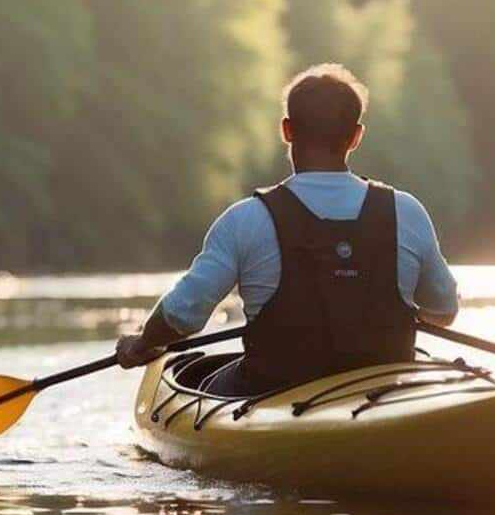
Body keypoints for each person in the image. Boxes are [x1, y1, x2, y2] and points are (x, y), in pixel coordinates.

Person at [114, 63, 460, 396]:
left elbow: (181, 315)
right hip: (384, 391)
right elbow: (444, 311)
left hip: (274, 391)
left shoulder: (244, 220)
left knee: (198, 379)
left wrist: (144, 342)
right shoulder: (408, 213)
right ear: (356, 137)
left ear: (287, 130)